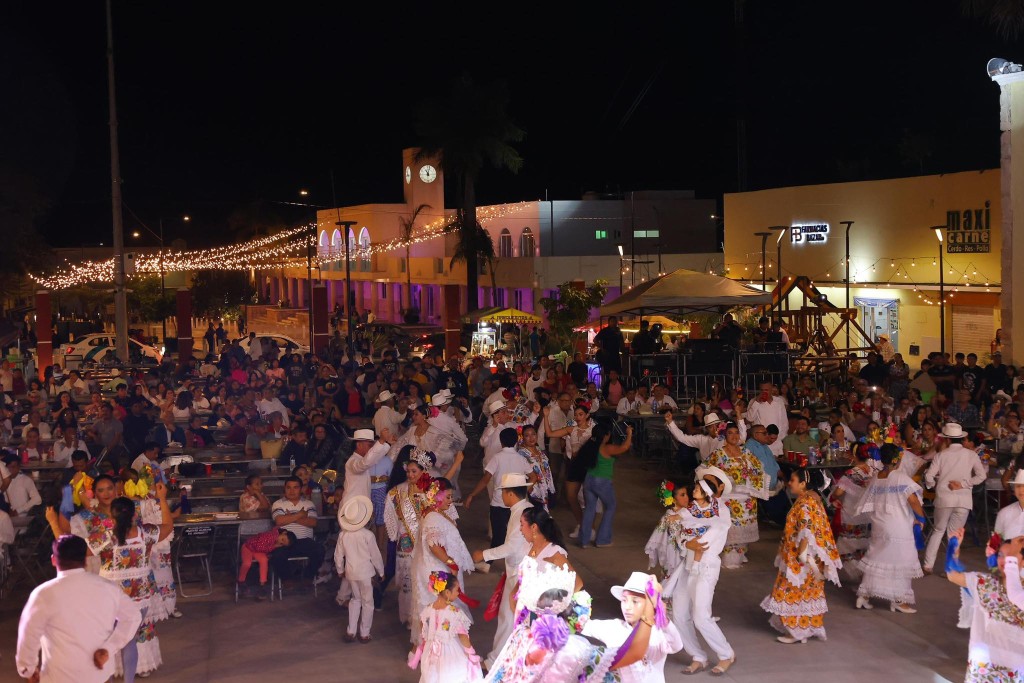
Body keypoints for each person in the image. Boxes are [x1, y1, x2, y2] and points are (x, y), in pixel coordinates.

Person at [16, 535, 142, 683]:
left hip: (57, 676)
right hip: (99, 677)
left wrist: (28, 669)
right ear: (85, 561)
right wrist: (109, 648)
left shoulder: (43, 594)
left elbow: (28, 635)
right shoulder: (108, 588)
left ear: (53, 560)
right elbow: (133, 617)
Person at [661, 466, 735, 675]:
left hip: (706, 565)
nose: (701, 485)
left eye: (707, 483)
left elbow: (717, 530)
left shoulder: (721, 510)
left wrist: (696, 543)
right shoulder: (692, 509)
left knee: (701, 616)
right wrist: (687, 544)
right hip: (687, 564)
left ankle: (726, 654)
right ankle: (698, 656)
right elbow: (678, 532)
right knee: (679, 613)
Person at [761, 468, 842, 644]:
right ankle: (803, 629)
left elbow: (807, 531)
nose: (789, 483)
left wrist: (802, 557)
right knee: (807, 592)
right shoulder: (810, 500)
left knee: (791, 591)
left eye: (793, 480)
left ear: (803, 484)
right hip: (807, 558)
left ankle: (797, 632)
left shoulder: (806, 504)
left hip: (803, 558)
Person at [470, 473, 533, 670]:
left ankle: (495, 661)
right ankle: (513, 659)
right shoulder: (525, 509)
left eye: (503, 493)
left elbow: (511, 547)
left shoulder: (522, 514)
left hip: (521, 572)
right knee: (517, 617)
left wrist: (484, 554)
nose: (502, 497)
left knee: (508, 616)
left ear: (510, 494)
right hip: (520, 570)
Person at [853, 443, 926, 612]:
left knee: (877, 560)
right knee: (902, 562)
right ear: (896, 459)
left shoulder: (878, 477)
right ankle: (899, 601)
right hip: (897, 526)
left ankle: (863, 596)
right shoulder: (900, 477)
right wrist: (921, 518)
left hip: (880, 525)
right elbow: (913, 501)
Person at [945, 527, 1024, 681]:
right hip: (983, 669)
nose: (1004, 560)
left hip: (1017, 670)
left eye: (1010, 556)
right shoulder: (983, 582)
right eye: (1001, 555)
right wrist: (954, 548)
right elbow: (953, 576)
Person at [581, 571, 683, 683]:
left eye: (635, 601)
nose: (627, 607)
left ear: (649, 604)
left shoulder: (658, 632)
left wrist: (660, 613)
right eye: (624, 600)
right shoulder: (614, 627)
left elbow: (677, 645)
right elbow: (583, 625)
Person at [410, 478, 475, 647]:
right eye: (447, 497)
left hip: (442, 570)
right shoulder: (432, 517)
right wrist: (451, 562)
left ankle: (446, 647)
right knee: (441, 609)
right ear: (436, 497)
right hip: (438, 572)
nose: (450, 500)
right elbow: (434, 546)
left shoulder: (437, 512)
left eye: (451, 497)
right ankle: (440, 648)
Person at [921, 423, 987, 574]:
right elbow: (981, 476)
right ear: (962, 438)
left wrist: (932, 485)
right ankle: (949, 568)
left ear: (948, 439)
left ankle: (927, 565)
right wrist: (963, 484)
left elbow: (929, 476)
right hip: (963, 500)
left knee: (938, 530)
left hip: (944, 498)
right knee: (954, 535)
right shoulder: (971, 455)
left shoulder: (941, 455)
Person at [703, 422, 768, 568]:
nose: (734, 436)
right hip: (726, 498)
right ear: (725, 436)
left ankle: (740, 552)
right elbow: (705, 471)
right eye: (730, 433)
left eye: (736, 433)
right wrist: (718, 486)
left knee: (742, 527)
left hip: (745, 498)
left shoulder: (746, 452)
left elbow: (759, 468)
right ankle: (728, 556)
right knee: (728, 526)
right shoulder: (718, 454)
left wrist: (749, 481)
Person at [384, 448, 433, 630]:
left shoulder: (432, 491)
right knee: (407, 580)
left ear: (423, 471)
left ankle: (424, 614)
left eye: (414, 471)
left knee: (424, 578)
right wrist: (393, 534)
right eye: (408, 471)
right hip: (405, 541)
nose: (410, 474)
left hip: (426, 541)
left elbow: (445, 512)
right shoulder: (397, 492)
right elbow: (389, 514)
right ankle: (407, 616)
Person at [464, 428, 535, 551]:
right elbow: (534, 477)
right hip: (516, 503)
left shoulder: (497, 458)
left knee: (498, 536)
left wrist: (472, 494)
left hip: (499, 502)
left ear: (501, 442)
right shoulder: (521, 459)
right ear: (517, 441)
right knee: (514, 535)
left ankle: (488, 563)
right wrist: (525, 490)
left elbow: (485, 479)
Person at [410, 571, 483, 683]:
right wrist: (471, 652)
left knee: (431, 676)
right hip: (449, 652)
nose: (459, 593)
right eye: (456, 590)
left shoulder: (427, 610)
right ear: (448, 592)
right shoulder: (455, 612)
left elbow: (423, 630)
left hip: (430, 652)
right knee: (452, 675)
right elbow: (463, 636)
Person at [335, 495, 385, 643]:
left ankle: (351, 631)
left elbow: (338, 555)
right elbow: (375, 556)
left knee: (355, 600)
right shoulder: (368, 535)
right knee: (368, 603)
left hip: (351, 573)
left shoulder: (343, 535)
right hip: (366, 574)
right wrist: (381, 572)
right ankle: (364, 633)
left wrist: (340, 570)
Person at [544, 403, 596, 539]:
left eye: (581, 414)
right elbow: (549, 433)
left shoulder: (593, 431)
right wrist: (545, 416)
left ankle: (590, 528)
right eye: (576, 415)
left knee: (588, 499)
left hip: (588, 468)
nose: (578, 417)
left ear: (587, 415)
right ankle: (581, 525)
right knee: (571, 496)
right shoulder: (570, 429)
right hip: (574, 466)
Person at [579, 422, 632, 549]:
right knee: (611, 506)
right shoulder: (607, 448)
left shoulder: (590, 446)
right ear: (606, 435)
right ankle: (602, 539)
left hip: (589, 479)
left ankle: (583, 540)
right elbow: (624, 448)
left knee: (589, 509)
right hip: (601, 481)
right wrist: (629, 434)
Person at [828, 444, 877, 582]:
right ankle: (864, 573)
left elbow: (838, 492)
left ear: (854, 455)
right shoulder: (874, 471)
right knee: (865, 543)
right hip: (868, 514)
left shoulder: (851, 474)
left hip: (852, 514)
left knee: (847, 544)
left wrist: (834, 498)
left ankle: (855, 572)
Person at [270, 477, 324, 582]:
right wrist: (300, 515)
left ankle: (307, 577)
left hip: (304, 541)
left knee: (319, 550)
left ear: (301, 489)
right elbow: (279, 521)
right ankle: (288, 580)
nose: (291, 491)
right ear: (284, 489)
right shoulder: (278, 504)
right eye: (288, 487)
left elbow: (313, 522)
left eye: (295, 487)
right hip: (284, 542)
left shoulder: (308, 504)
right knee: (276, 556)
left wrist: (290, 517)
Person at [238, 527, 295, 601]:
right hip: (248, 547)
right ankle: (241, 581)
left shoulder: (277, 539)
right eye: (282, 539)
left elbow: (263, 550)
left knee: (264, 561)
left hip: (258, 551)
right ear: (283, 533)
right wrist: (274, 546)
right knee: (247, 563)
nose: (281, 542)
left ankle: (262, 586)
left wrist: (274, 548)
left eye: (282, 543)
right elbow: (260, 547)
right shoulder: (271, 536)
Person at [994, 468, 1024, 542]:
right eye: (1018, 486)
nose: (1021, 490)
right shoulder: (1004, 512)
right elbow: (996, 539)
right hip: (1007, 553)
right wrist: (992, 548)